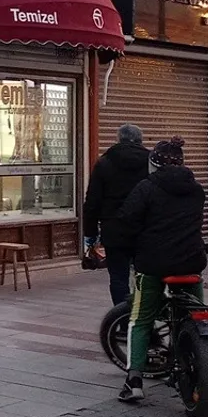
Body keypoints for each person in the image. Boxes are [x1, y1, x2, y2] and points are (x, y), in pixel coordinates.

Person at [103, 137, 206, 403]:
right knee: (199, 316)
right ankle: (201, 356)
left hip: (153, 265)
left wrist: (123, 247)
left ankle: (134, 382)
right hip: (192, 263)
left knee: (140, 319)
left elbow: (126, 222)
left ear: (154, 164)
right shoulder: (197, 191)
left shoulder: (146, 188)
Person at [82, 124, 150, 305]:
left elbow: (92, 201)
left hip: (114, 230)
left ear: (118, 139)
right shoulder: (151, 163)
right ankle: (142, 313)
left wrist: (90, 234)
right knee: (146, 276)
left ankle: (121, 314)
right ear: (140, 140)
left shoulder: (104, 163)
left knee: (118, 277)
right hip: (145, 229)